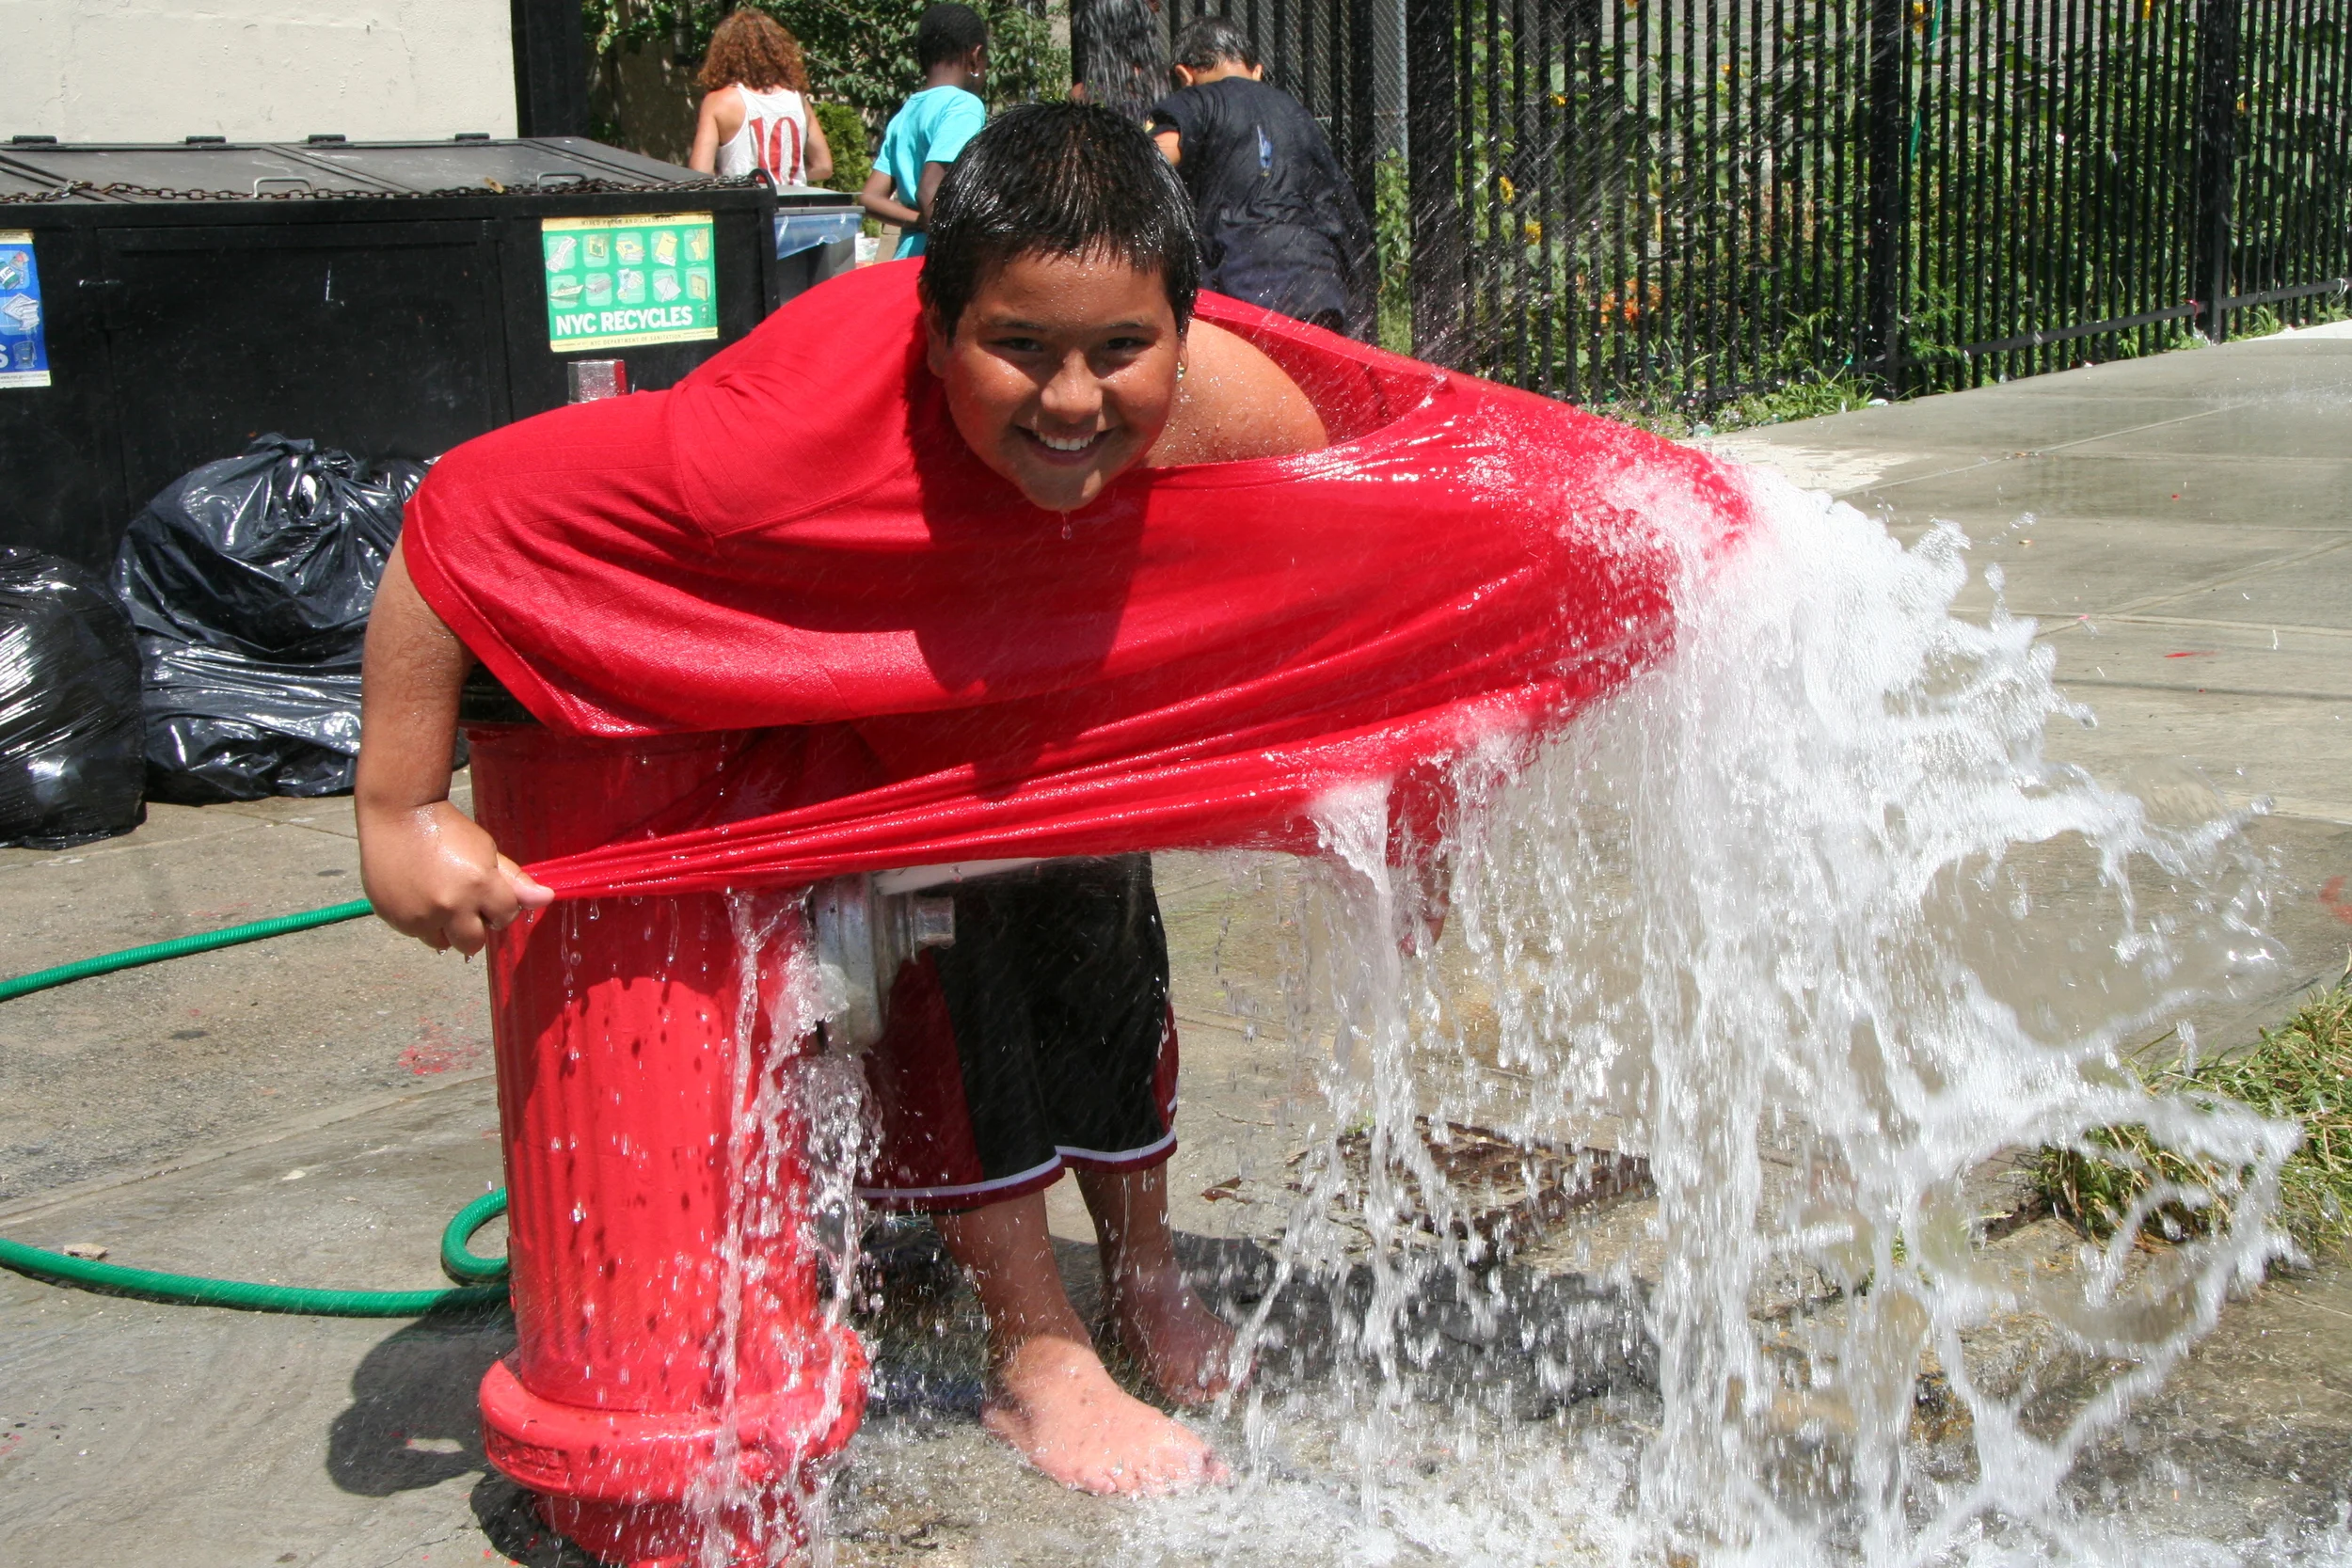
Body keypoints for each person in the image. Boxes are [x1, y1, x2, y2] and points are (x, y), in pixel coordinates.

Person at [357, 103, 1328, 1497]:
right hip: (844, 718)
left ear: (1181, 327)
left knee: (1105, 903)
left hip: (1024, 685)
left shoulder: (1224, 410)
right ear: (935, 334)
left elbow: (1355, 540)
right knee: (955, 926)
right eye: (1019, 350)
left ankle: (1146, 1274)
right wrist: (398, 806)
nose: (1072, 401)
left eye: (1121, 350)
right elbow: (467, 512)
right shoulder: (763, 452)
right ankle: (1035, 1346)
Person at [1149, 18, 1374, 338]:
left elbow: (1147, 164)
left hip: (1245, 286)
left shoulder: (1197, 102)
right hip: (1317, 283)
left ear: (1185, 75)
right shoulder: (1295, 112)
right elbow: (1342, 208)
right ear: (1256, 71)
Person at [858, 3, 989, 258]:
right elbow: (930, 189)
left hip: (906, 258)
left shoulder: (906, 113)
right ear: (976, 56)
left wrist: (918, 221)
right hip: (937, 264)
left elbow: (870, 198)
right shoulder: (964, 106)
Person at [688, 8, 834, 186]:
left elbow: (700, 173)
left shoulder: (720, 101)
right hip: (792, 208)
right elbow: (823, 166)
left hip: (743, 207)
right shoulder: (797, 99)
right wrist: (783, 178)